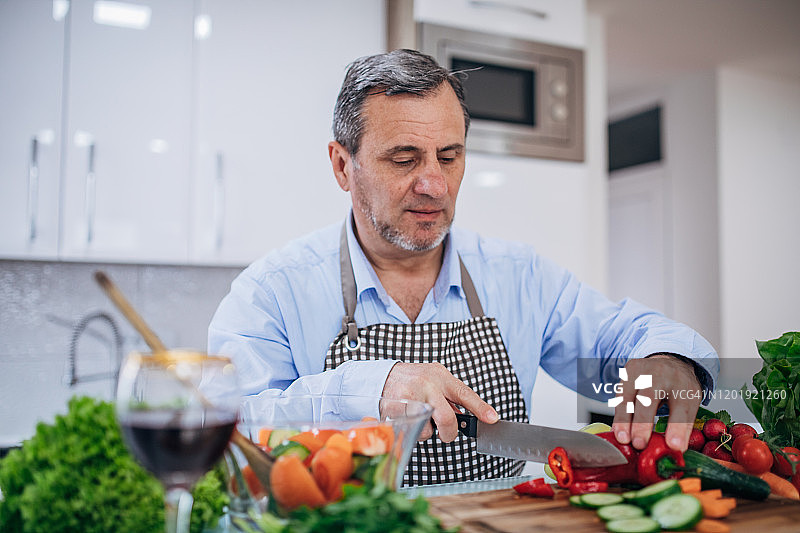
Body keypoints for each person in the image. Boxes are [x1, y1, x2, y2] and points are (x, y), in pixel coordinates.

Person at [209, 49, 719, 486]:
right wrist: (368, 388)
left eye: (449, 156)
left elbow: (619, 343)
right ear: (343, 166)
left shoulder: (519, 276)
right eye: (404, 159)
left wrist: (670, 359)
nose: (435, 184)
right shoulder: (271, 291)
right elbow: (230, 429)